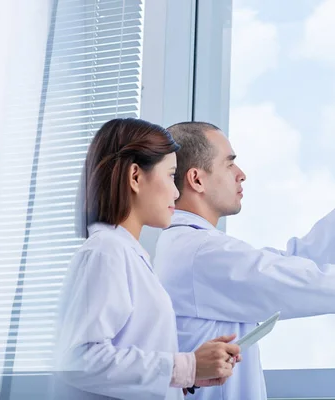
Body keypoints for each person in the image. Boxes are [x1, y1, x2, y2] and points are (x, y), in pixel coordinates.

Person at [153, 122, 335, 400]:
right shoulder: (201, 252)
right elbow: (304, 283)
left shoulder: (193, 246)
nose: (241, 174)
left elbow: (286, 265)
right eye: (229, 164)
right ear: (197, 179)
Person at [51, 118, 242, 400]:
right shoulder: (106, 252)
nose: (177, 193)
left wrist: (191, 373)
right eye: (170, 176)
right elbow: (78, 359)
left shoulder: (126, 254)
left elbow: (124, 359)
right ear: (136, 177)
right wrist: (185, 367)